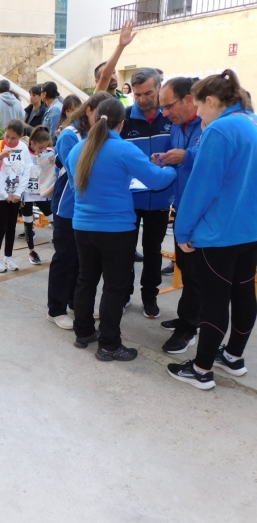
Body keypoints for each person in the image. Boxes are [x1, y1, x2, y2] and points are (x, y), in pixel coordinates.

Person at [66, 99, 176, 360]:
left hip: (82, 226)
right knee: (115, 287)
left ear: (94, 119)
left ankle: (83, 333)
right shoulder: (124, 149)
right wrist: (173, 167)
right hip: (116, 230)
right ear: (122, 123)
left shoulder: (76, 150)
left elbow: (74, 187)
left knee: (86, 280)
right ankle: (109, 345)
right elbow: (157, 180)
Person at [167, 70, 257, 390]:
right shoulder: (252, 123)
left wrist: (183, 229)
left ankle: (202, 369)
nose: (197, 112)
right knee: (245, 293)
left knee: (215, 300)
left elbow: (201, 187)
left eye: (199, 105)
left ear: (211, 101)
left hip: (220, 232)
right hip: (250, 231)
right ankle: (233, 356)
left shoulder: (219, 130)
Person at [46, 92, 112, 330]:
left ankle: (75, 302)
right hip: (68, 207)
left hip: (87, 210)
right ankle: (56, 308)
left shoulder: (92, 134)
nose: (106, 119)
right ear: (89, 110)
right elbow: (79, 174)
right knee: (65, 258)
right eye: (101, 113)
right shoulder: (69, 135)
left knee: (82, 262)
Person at [152, 77, 203, 354]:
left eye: (169, 106)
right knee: (184, 265)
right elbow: (180, 157)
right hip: (182, 207)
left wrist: (187, 156)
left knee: (196, 274)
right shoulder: (178, 127)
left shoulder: (209, 125)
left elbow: (211, 160)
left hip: (202, 213)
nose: (165, 113)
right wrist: (165, 157)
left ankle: (189, 329)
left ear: (188, 99)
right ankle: (188, 318)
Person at [120, 67, 173, 319]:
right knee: (125, 250)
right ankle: (122, 294)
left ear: (159, 88)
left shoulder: (170, 119)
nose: (142, 99)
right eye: (138, 94)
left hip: (161, 199)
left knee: (153, 251)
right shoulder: (126, 119)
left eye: (148, 93)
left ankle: (150, 297)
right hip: (129, 201)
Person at [0, 119, 32, 273]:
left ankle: (8, 256)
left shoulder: (24, 148)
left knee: (12, 225)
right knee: (2, 225)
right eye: (7, 136)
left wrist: (18, 193)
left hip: (15, 194)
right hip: (0, 195)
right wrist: (5, 195)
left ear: (20, 137)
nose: (9, 140)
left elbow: (27, 171)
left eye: (13, 138)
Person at [22, 126, 55, 265]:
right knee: (28, 223)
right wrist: (20, 194)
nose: (42, 150)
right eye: (40, 147)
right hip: (27, 194)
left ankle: (61, 245)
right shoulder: (25, 153)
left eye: (45, 147)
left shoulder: (48, 153)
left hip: (42, 193)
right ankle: (31, 251)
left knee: (54, 220)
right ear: (32, 143)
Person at [95, 20, 137, 107]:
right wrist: (121, 46)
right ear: (97, 81)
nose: (112, 76)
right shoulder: (98, 97)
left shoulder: (128, 98)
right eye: (109, 73)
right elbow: (105, 76)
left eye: (113, 72)